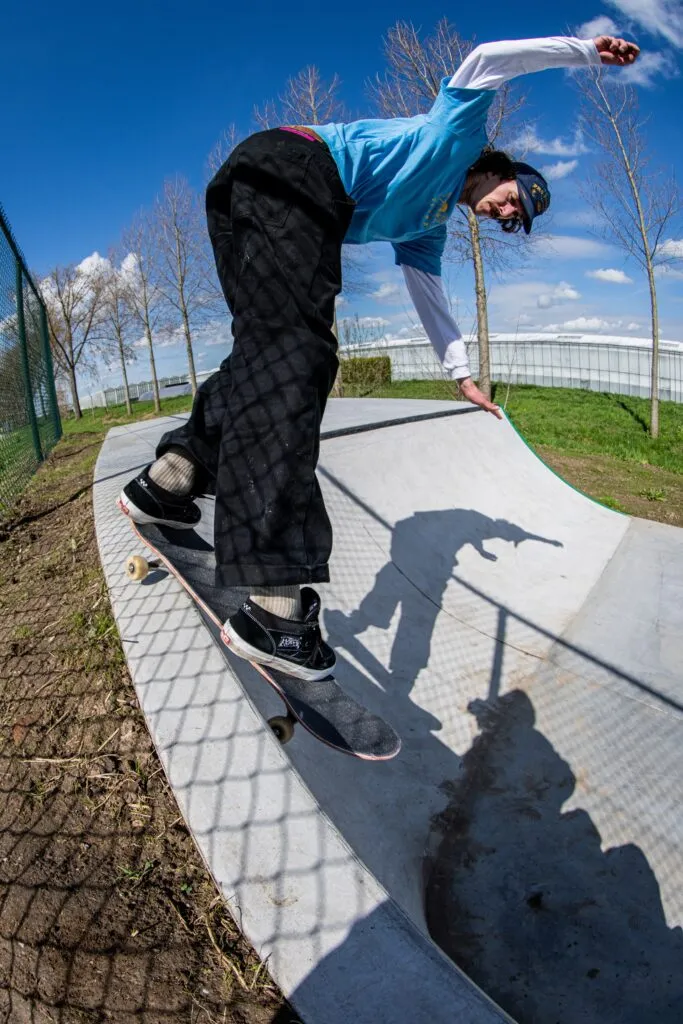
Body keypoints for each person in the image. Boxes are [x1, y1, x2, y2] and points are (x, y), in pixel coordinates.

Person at [118, 32, 639, 681]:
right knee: (295, 355)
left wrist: (460, 375)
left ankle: (171, 476)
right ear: (497, 166)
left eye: (514, 218)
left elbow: (428, 295)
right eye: (512, 196)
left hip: (253, 184)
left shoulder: (427, 226)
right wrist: (584, 53)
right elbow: (483, 62)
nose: (506, 212)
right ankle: (274, 608)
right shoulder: (456, 137)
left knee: (268, 345)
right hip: (296, 172)